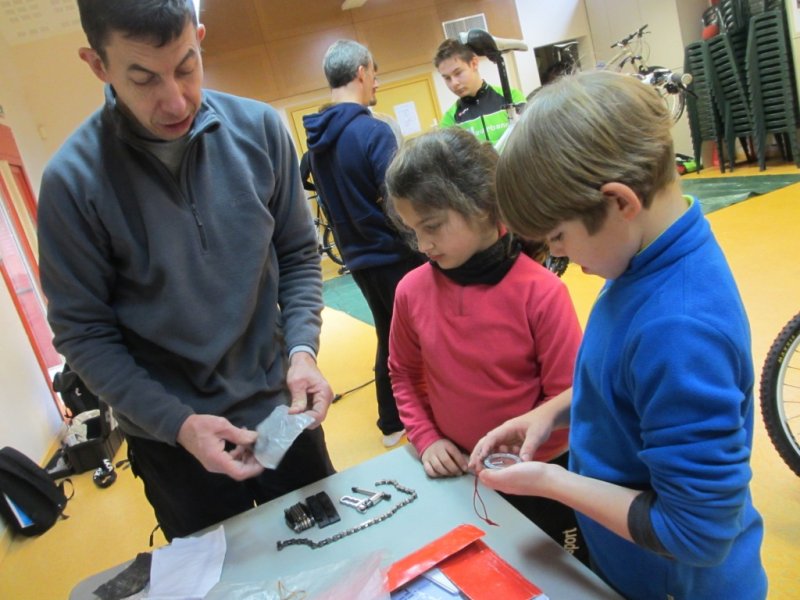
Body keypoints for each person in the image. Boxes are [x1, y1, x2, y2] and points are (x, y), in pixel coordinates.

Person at [37, 0, 335, 542]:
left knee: (328, 553)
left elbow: (295, 254)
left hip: (278, 412)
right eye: (143, 77)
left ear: (199, 37)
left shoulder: (262, 130)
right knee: (224, 577)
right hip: (173, 438)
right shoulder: (72, 182)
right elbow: (83, 332)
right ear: (97, 65)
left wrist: (302, 351)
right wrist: (176, 424)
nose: (174, 100)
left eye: (186, 66)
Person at [470, 71, 768, 599]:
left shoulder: (679, 329)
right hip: (638, 567)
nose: (558, 255)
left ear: (619, 202)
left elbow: (697, 534)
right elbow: (626, 381)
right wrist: (551, 412)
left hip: (679, 584)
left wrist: (550, 482)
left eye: (558, 237)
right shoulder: (646, 256)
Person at [384, 127, 588, 563]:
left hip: (539, 478)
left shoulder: (541, 292)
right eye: (412, 230)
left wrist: (523, 458)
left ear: (480, 206)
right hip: (457, 474)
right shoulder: (411, 291)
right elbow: (402, 372)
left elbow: (570, 400)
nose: (422, 245)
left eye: (432, 227)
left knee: (554, 576)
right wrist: (426, 438)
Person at [303, 40, 424, 447]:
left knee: (389, 332)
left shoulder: (317, 143)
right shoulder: (372, 131)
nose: (376, 80)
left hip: (358, 257)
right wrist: (423, 241)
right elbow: (397, 201)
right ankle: (407, 419)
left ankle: (393, 420)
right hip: (394, 254)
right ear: (360, 72)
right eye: (373, 71)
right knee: (415, 336)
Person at [434, 38, 526, 147]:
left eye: (458, 73)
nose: (454, 83)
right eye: (447, 78)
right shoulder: (450, 120)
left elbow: (530, 139)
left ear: (474, 63)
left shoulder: (512, 97)